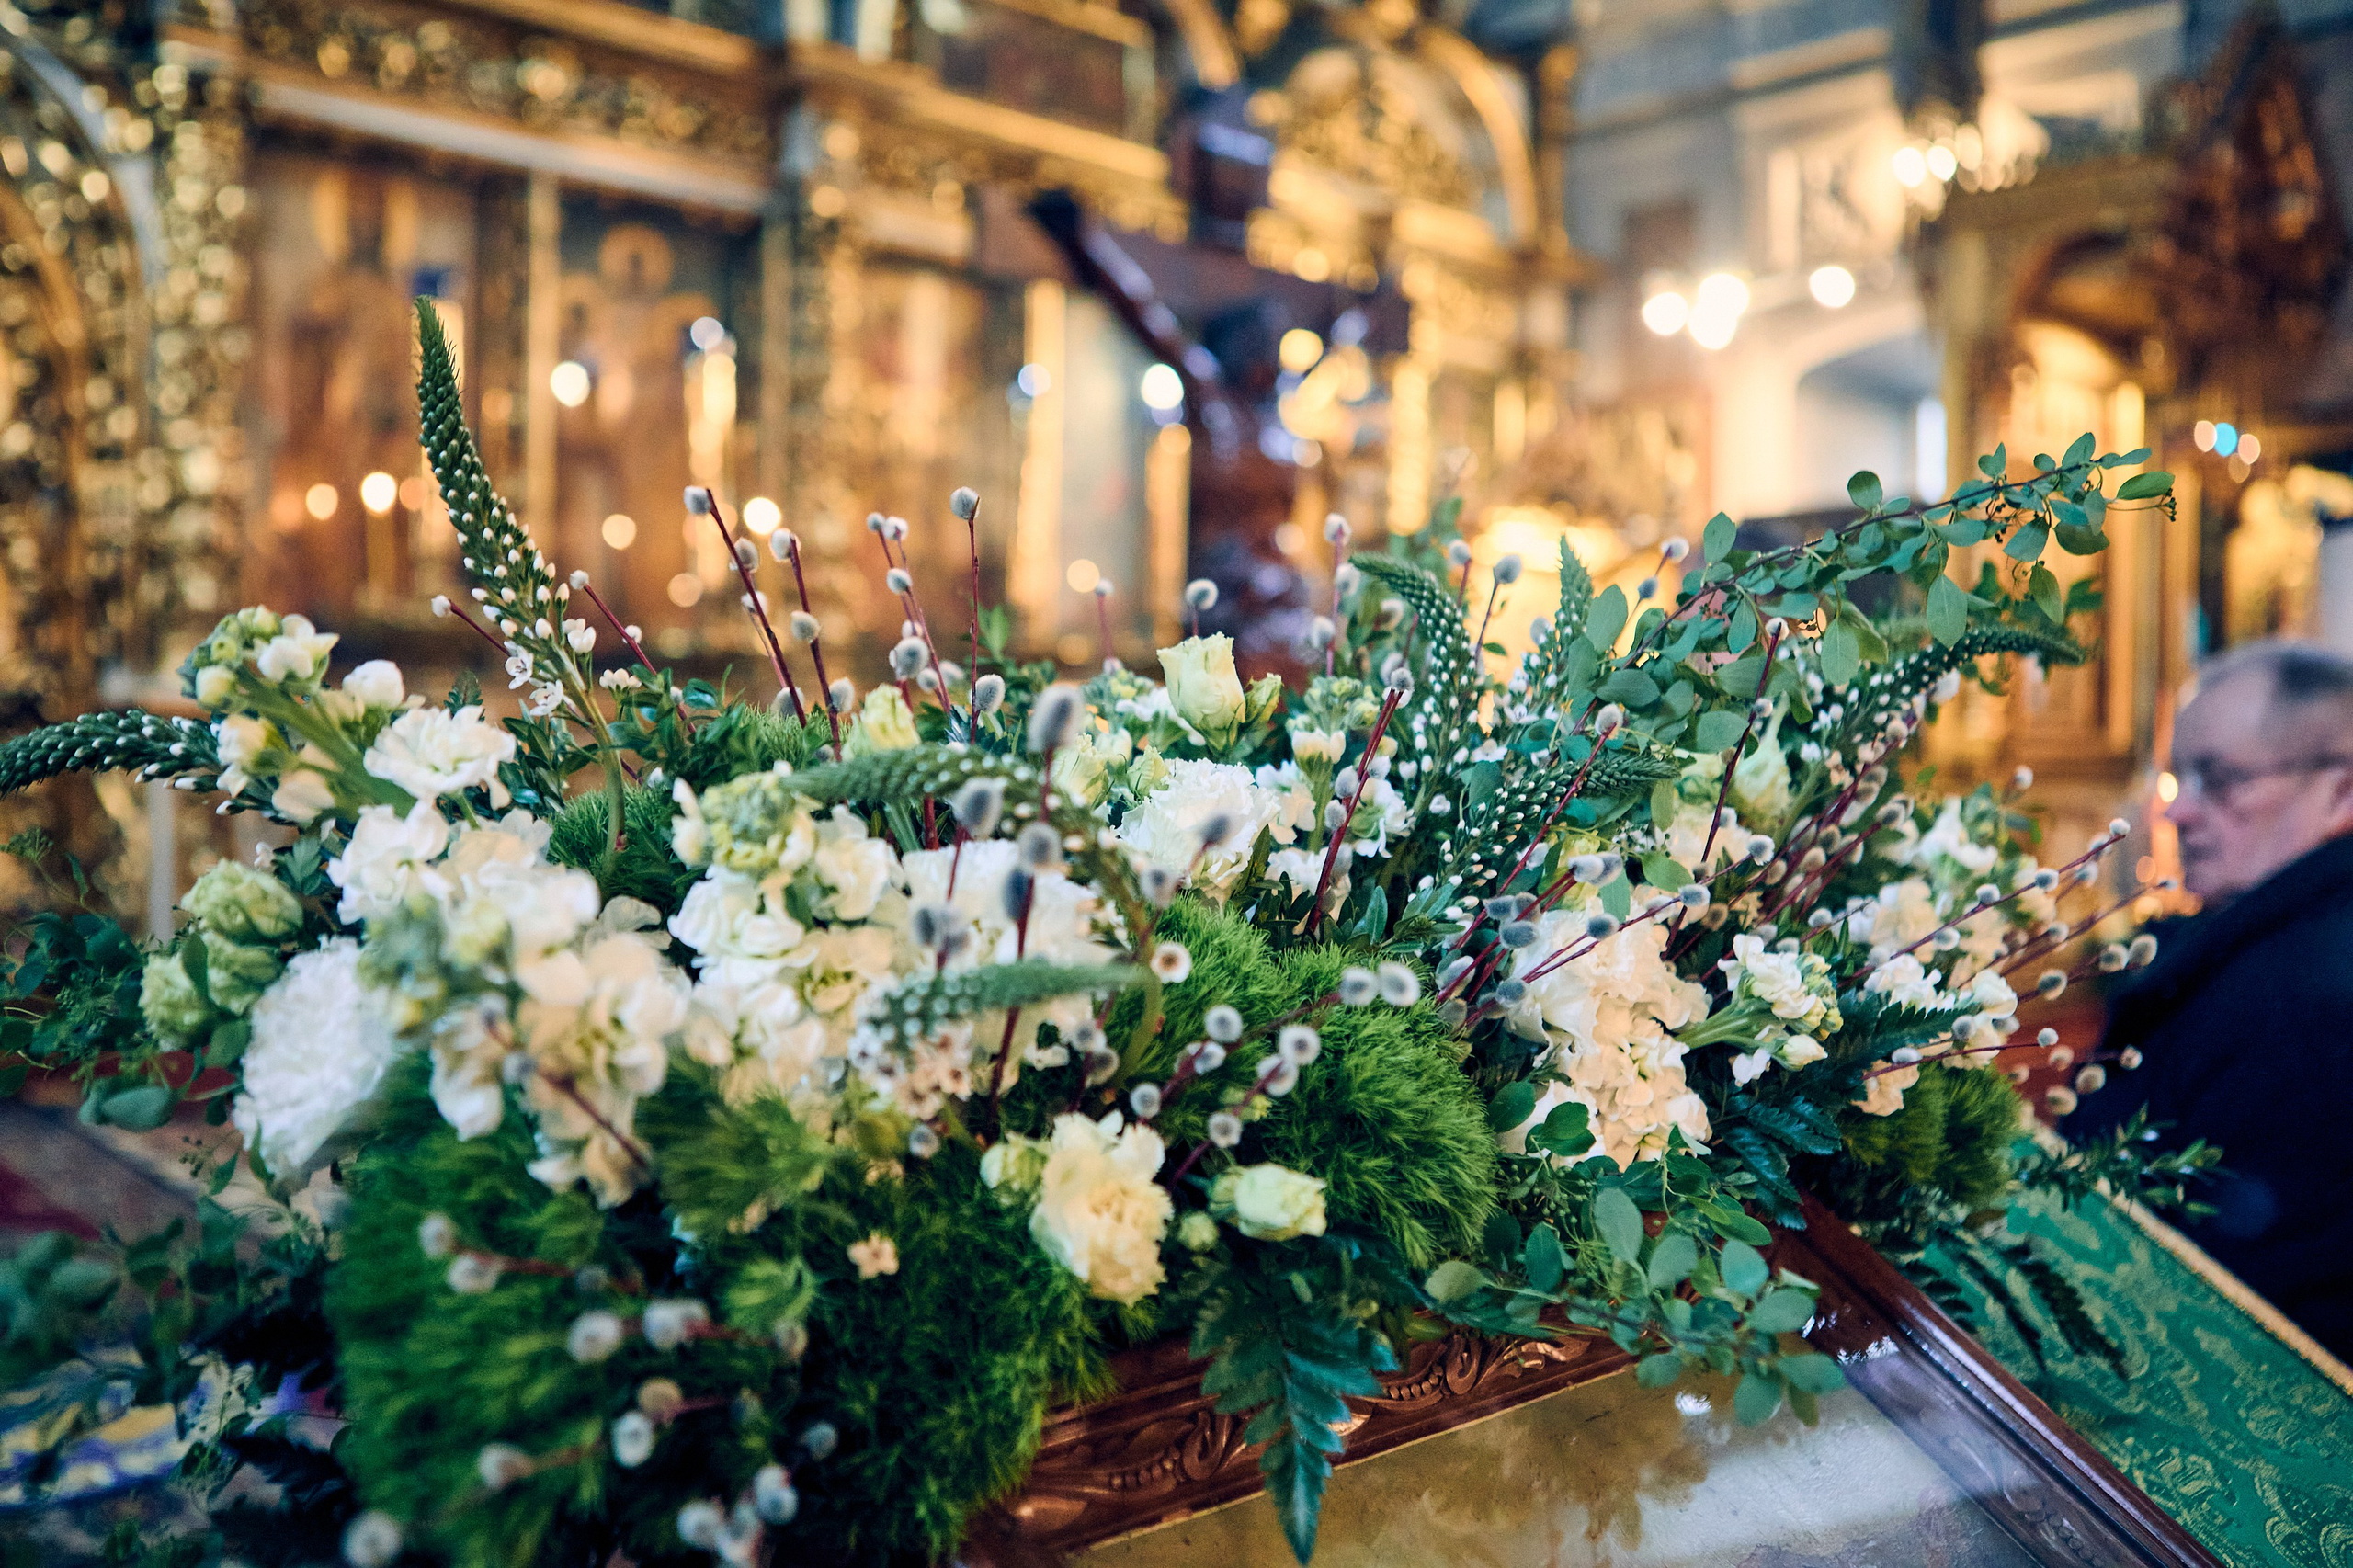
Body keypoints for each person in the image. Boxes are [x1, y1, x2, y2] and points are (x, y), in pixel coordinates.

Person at [2068, 640, 2353, 1359]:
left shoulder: (2307, 997)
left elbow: (2230, 1294)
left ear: (2341, 790)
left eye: (2221, 780)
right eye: (2178, 779)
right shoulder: (2269, 947)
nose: (2179, 812)